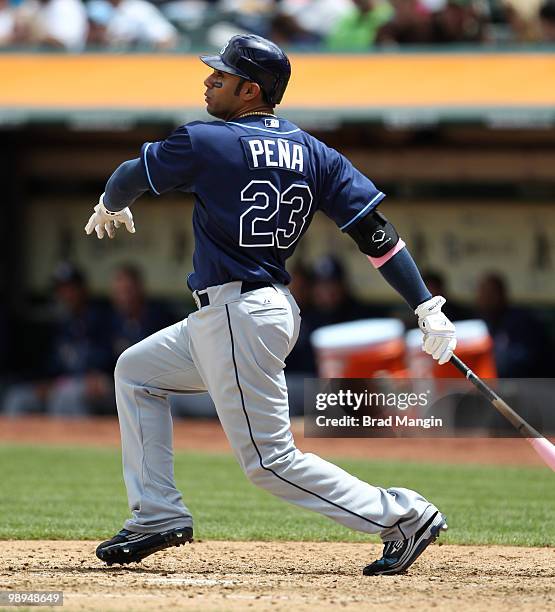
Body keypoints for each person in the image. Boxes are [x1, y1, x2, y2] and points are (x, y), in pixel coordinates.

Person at [84, 34, 456, 575]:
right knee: (137, 372)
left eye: (221, 76)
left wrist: (109, 204)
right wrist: (425, 306)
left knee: (268, 462)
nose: (209, 81)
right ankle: (157, 514)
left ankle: (403, 515)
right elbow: (376, 235)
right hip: (256, 311)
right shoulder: (315, 151)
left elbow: (128, 175)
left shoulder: (208, 140)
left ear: (250, 89)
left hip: (239, 314)